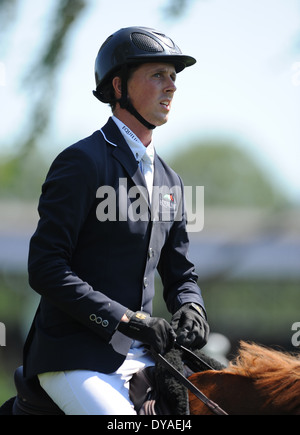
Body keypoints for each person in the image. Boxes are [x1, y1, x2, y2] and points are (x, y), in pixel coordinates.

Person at [22, 26, 209, 415]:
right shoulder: (82, 162)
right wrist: (126, 319)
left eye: (173, 77)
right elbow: (45, 268)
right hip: (76, 358)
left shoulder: (170, 180)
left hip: (145, 358)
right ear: (119, 86)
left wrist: (192, 307)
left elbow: (181, 274)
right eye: (158, 75)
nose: (171, 87)